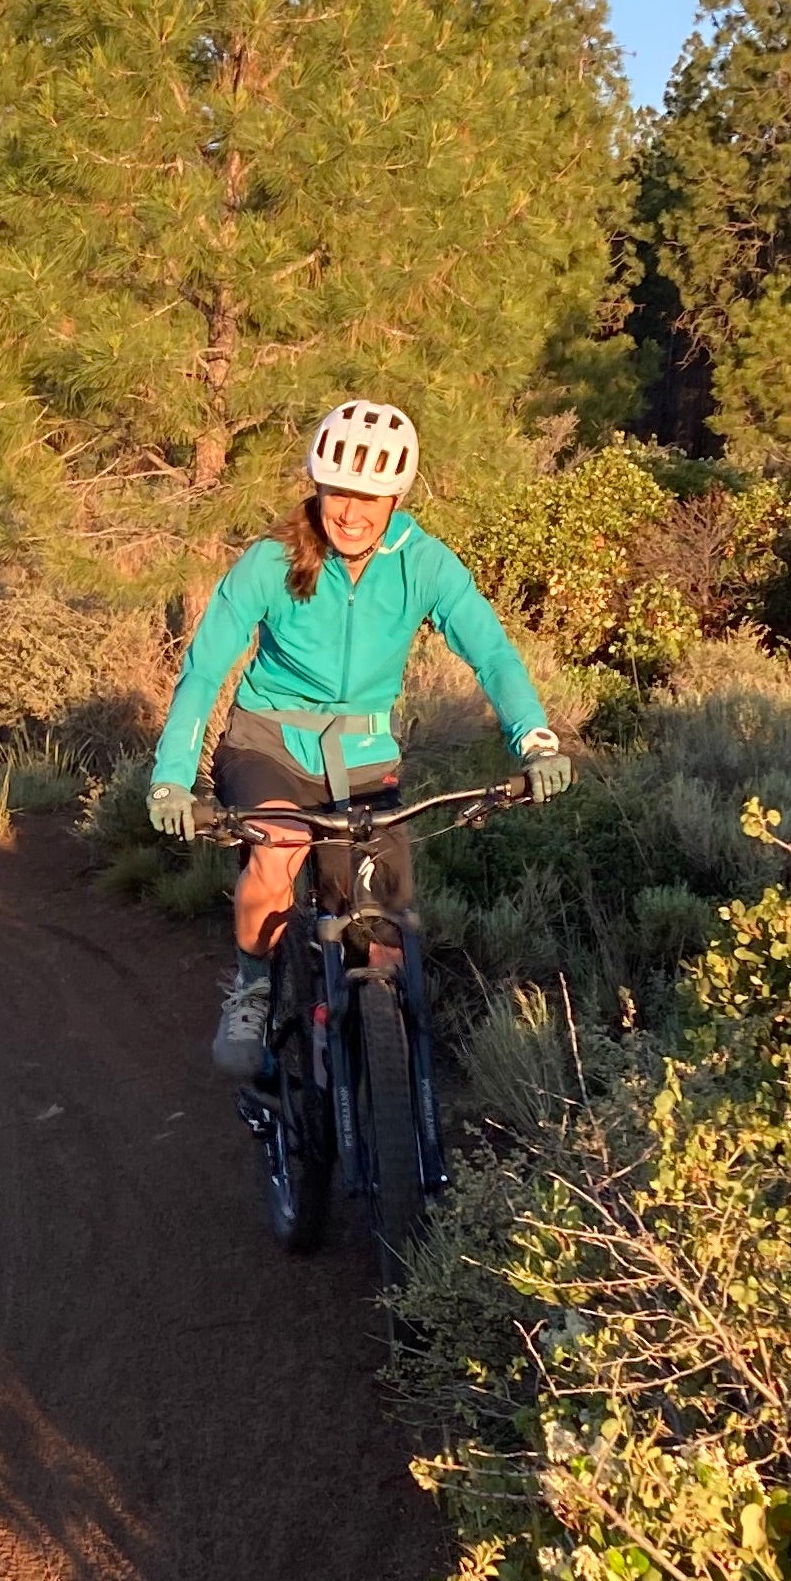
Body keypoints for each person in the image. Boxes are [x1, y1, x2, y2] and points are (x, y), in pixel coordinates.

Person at [145, 400, 570, 1082]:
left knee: (383, 927)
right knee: (278, 849)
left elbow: (490, 652)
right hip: (269, 746)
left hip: (364, 758)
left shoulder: (423, 563)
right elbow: (204, 668)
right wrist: (171, 777)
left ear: (395, 496)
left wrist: (535, 740)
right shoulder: (272, 560)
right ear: (316, 486)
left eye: (370, 497)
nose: (351, 512)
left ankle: (384, 1076)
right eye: (339, 491)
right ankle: (253, 987)